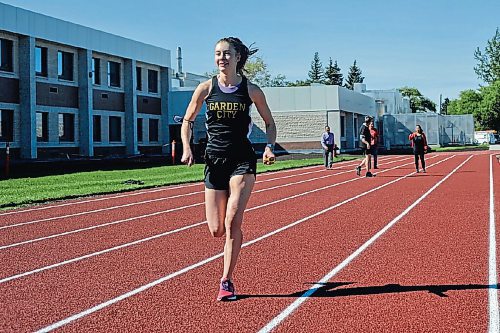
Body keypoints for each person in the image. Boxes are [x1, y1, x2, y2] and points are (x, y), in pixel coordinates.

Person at [180, 37, 277, 301]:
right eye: (217, 53)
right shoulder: (205, 88)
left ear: (237, 58)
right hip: (214, 160)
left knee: (233, 220)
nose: (221, 58)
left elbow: (269, 123)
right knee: (216, 230)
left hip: (242, 159)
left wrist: (269, 146)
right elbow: (187, 120)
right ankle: (226, 267)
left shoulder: (252, 90)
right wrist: (187, 149)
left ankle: (226, 280)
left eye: (226, 53)